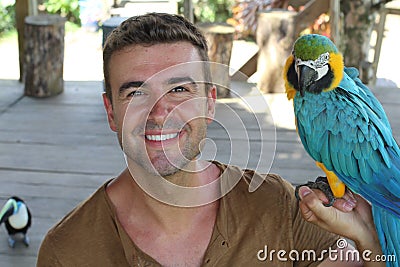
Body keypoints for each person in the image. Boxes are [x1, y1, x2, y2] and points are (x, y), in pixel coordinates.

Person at [37, 13, 383, 266]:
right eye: (136, 93)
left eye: (179, 90)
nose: (161, 113)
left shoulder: (279, 206)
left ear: (210, 103)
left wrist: (369, 238)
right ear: (111, 112)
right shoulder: (66, 251)